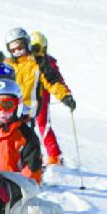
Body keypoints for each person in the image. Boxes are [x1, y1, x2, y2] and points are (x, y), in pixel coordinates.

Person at [0, 28, 76, 166]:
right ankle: (6, 163)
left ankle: (44, 162)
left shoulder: (37, 64)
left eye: (20, 47)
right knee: (9, 136)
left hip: (30, 108)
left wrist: (65, 96)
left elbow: (52, 81)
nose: (17, 52)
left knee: (31, 135)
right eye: (13, 50)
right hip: (12, 107)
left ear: (27, 44)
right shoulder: (9, 63)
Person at [29, 30, 72, 166]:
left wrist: (66, 95)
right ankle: (27, 156)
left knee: (43, 124)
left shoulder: (48, 64)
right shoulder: (27, 62)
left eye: (39, 49)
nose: (36, 53)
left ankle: (54, 155)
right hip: (26, 97)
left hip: (42, 97)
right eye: (33, 49)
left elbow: (57, 80)